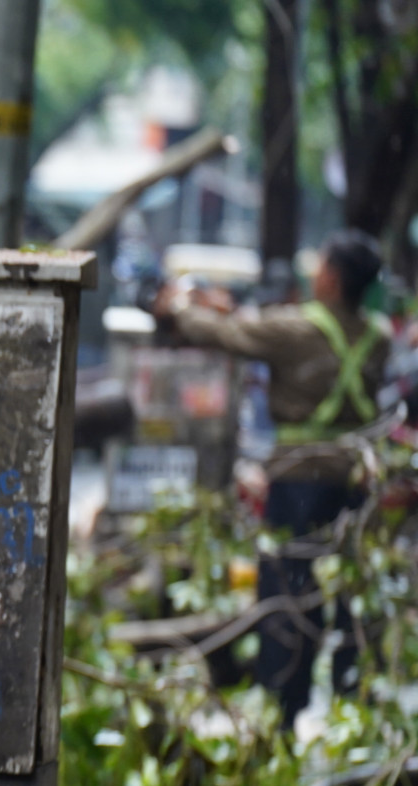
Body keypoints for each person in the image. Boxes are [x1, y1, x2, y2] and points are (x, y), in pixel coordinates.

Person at [157, 230, 392, 725]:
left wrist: (180, 307)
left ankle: (282, 707)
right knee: (348, 595)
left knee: (287, 597)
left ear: (330, 277)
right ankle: (355, 701)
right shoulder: (379, 337)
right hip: (353, 484)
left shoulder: (299, 330)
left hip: (298, 482)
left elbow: (229, 335)